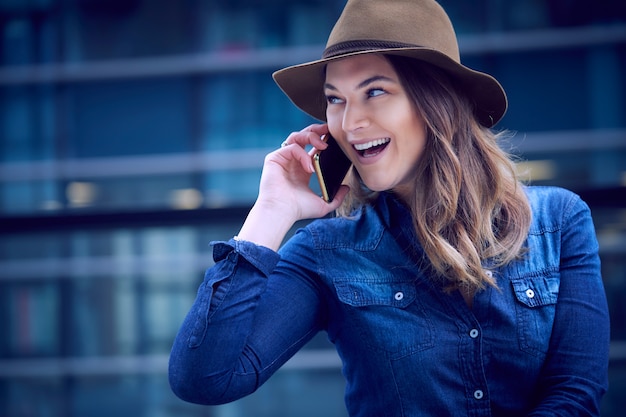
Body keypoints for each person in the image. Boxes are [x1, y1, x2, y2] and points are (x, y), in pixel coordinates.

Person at [168, 0, 610, 415]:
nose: (349, 122)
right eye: (335, 99)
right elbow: (205, 379)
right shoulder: (325, 251)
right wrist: (271, 211)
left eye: (374, 91)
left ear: (436, 102)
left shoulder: (559, 221)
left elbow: (576, 393)